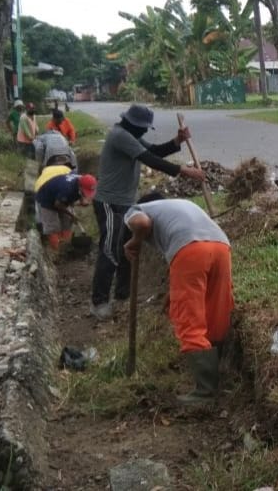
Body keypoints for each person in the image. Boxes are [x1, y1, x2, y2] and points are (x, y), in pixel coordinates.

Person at [90, 104, 205, 320]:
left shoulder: (130, 135)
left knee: (127, 250)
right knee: (110, 250)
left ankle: (123, 297)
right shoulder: (119, 135)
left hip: (125, 203)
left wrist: (177, 142)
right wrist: (184, 171)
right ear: (134, 125)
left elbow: (153, 150)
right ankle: (99, 302)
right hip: (109, 203)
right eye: (143, 128)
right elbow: (150, 160)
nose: (144, 132)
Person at [123, 192, 234, 405]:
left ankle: (205, 391)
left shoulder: (137, 210)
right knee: (216, 311)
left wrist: (134, 241)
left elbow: (142, 224)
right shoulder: (179, 205)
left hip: (190, 250)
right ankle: (221, 368)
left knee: (188, 317)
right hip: (220, 246)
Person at [35, 171, 97, 251]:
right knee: (53, 226)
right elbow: (58, 205)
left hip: (62, 198)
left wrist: (82, 200)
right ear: (80, 187)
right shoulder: (67, 188)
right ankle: (57, 252)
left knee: (67, 222)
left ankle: (66, 246)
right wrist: (72, 215)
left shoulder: (83, 180)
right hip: (46, 199)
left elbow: (79, 193)